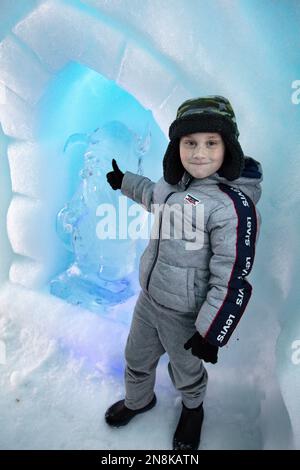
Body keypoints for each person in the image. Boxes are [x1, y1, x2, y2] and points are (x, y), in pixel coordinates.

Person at [104, 96, 263, 450]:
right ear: (177, 146)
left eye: (211, 142)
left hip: (186, 315)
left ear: (228, 147)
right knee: (136, 357)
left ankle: (194, 410)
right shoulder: (173, 184)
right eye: (189, 143)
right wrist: (124, 180)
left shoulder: (229, 206)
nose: (199, 153)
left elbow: (231, 275)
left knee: (186, 372)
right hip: (150, 300)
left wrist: (210, 331)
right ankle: (139, 399)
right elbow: (151, 194)